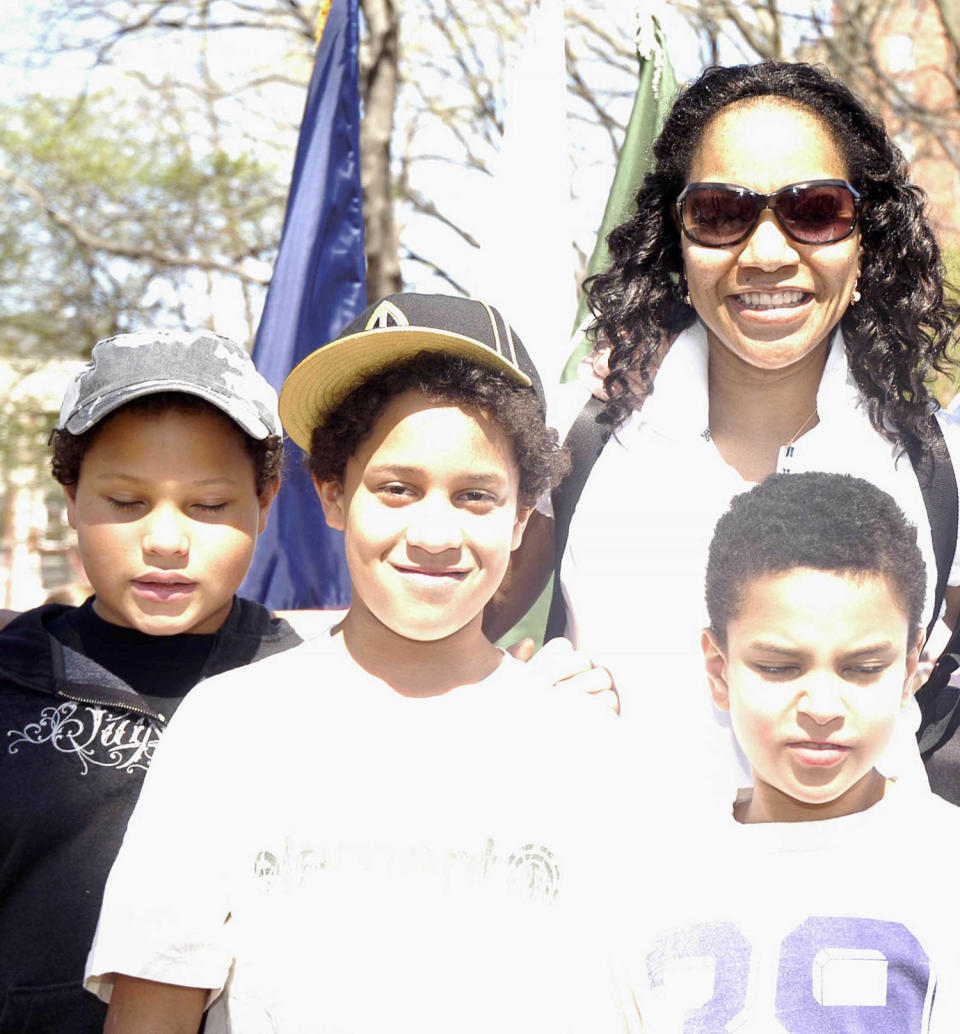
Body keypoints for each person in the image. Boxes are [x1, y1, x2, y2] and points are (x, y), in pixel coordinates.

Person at [85, 294, 636, 1034]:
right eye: (397, 489)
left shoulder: (576, 739)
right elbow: (152, 1008)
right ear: (334, 494)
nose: (434, 534)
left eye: (476, 496)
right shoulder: (229, 727)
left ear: (520, 516)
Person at [486, 60, 960, 799]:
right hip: (623, 894)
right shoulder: (578, 434)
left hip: (861, 901)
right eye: (720, 213)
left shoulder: (938, 466)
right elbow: (439, 636)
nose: (766, 253)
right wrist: (502, 699)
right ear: (676, 239)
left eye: (815, 209)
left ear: (866, 238)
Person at [0, 330, 301, 1033]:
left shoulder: (314, 694)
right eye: (128, 502)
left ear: (265, 501)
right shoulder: (8, 678)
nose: (166, 540)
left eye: (209, 505)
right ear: (70, 497)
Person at [625, 472, 960, 1031]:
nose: (823, 706)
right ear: (719, 669)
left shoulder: (945, 866)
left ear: (910, 670)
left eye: (864, 668)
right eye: (780, 667)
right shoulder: (644, 869)